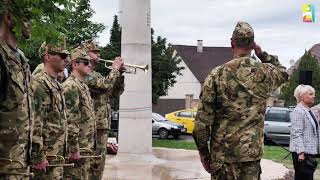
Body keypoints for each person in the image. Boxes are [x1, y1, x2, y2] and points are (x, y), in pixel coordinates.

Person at [192, 21, 288, 180]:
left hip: (223, 157)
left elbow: (202, 123)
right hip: (251, 157)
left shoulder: (217, 75)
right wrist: (262, 54)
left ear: (232, 43)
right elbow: (283, 72)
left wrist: (204, 154)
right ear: (252, 45)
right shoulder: (266, 72)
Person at [0, 1, 34, 179]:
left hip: (20, 164)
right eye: (26, 17)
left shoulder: (21, 60)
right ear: (8, 17)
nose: (31, 24)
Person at [81, 40, 124, 180]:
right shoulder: (86, 75)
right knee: (91, 165)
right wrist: (115, 69)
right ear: (86, 54)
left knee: (99, 166)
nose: (99, 55)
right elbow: (105, 85)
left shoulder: (98, 75)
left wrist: (120, 76)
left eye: (99, 52)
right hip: (92, 126)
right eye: (95, 52)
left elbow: (115, 92)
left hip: (102, 125)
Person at [31, 42, 70, 179]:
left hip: (56, 155)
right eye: (63, 55)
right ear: (47, 57)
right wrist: (38, 156)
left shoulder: (56, 84)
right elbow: (35, 121)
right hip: (45, 159)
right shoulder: (39, 83)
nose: (67, 59)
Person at [62, 47, 95, 180]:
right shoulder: (71, 86)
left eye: (90, 62)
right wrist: (74, 148)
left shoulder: (83, 86)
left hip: (84, 148)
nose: (90, 65)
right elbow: (70, 120)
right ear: (75, 65)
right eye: (86, 63)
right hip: (77, 150)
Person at [290, 85, 320, 180]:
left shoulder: (307, 110)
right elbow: (296, 133)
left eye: (314, 94)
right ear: (302, 96)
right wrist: (301, 153)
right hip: (302, 154)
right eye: (310, 94)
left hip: (309, 152)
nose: (314, 96)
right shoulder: (298, 111)